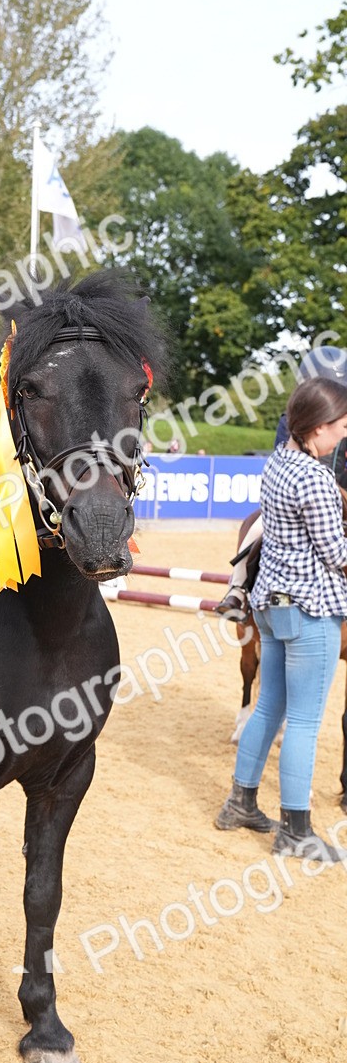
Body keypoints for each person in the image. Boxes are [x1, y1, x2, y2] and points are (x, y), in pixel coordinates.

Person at [215, 376, 347, 861]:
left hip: (270, 606)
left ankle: (240, 802)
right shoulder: (315, 478)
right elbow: (337, 553)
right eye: (341, 426)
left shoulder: (278, 462)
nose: (344, 434)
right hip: (311, 610)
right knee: (306, 722)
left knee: (269, 706)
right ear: (318, 427)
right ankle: (295, 831)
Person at [215, 346, 347, 621]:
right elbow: (284, 456)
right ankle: (237, 588)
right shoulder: (292, 419)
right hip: (303, 497)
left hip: (340, 497)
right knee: (256, 526)